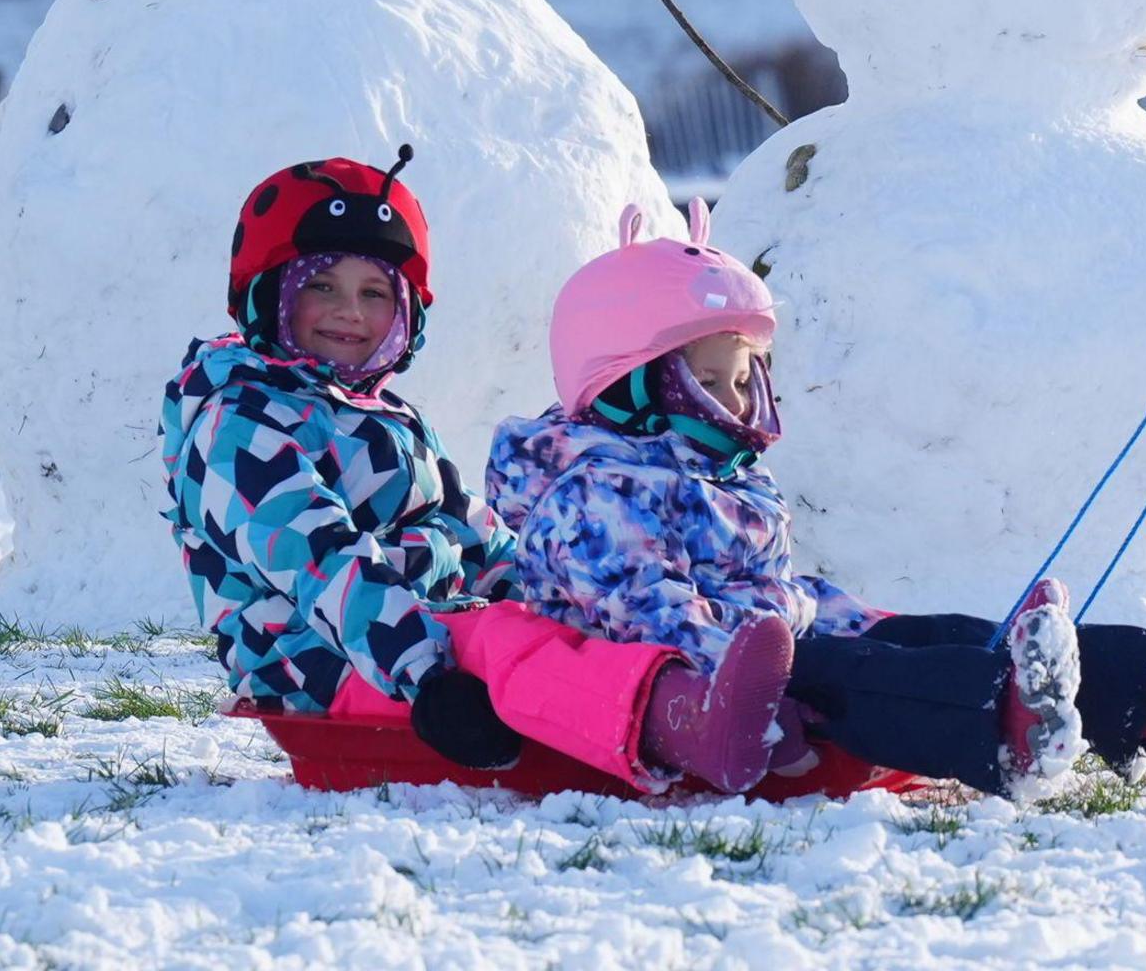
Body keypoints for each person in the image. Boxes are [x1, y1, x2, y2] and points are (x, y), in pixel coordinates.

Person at [484, 204, 1146, 797]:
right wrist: (754, 668)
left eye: (745, 376)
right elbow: (645, 612)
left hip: (784, 625)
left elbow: (764, 579)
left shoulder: (713, 464)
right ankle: (1004, 724)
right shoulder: (596, 486)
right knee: (858, 676)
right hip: (714, 670)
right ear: (630, 386)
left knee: (936, 632)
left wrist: (824, 613)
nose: (738, 399)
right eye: (710, 383)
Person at [160, 149, 797, 793]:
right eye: (322, 285)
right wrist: (426, 676)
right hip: (324, 664)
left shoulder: (384, 415)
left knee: (554, 625)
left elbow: (471, 531)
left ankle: (742, 693)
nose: (350, 311)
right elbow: (324, 566)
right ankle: (683, 721)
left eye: (374, 292)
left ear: (405, 313)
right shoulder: (241, 425)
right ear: (270, 295)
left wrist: (553, 592)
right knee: (501, 641)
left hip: (429, 637)